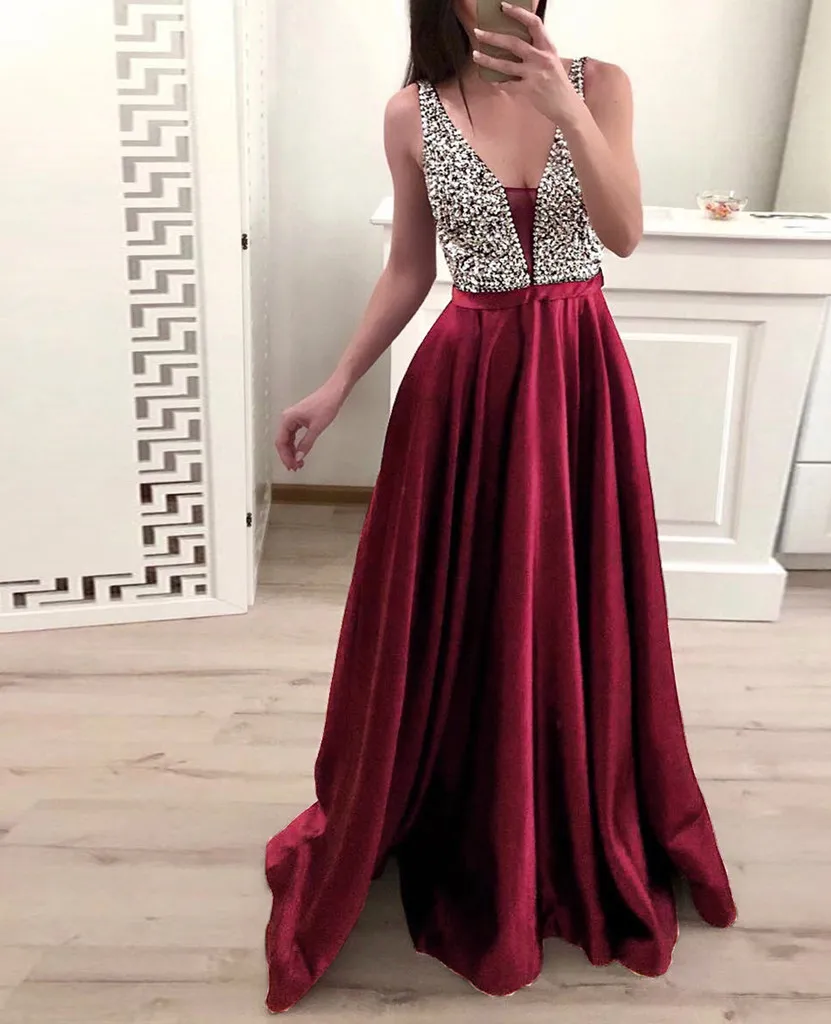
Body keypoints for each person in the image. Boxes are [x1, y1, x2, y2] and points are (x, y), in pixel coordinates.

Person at [265, 0, 735, 1012]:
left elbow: (624, 234)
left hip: (576, 376)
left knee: (572, 603)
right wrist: (336, 385)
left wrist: (567, 109)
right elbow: (410, 268)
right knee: (462, 608)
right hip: (466, 382)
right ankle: (466, 806)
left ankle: (566, 807)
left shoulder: (600, 84)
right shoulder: (410, 112)